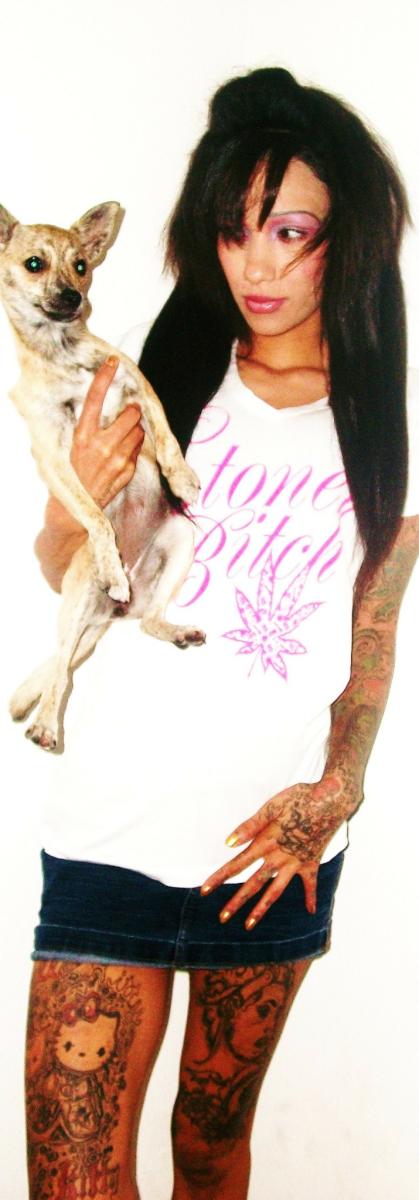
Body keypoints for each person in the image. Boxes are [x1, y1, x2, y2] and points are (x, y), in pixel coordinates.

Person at [25, 67, 419, 1200]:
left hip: (266, 856)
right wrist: (76, 500)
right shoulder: (154, 375)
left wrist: (335, 791)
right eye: (233, 232)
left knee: (206, 1153)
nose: (256, 265)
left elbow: (373, 634)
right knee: (73, 1182)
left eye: (288, 232)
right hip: (110, 829)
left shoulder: (388, 416)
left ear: (344, 238)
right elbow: (68, 570)